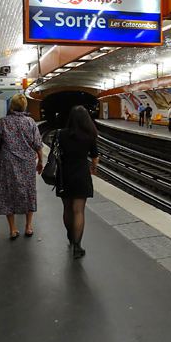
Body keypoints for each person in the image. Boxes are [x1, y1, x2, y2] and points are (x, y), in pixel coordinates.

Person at [0, 94, 43, 240]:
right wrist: (40, 162)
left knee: (8, 192)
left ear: (11, 106)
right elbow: (38, 144)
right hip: (27, 162)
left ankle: (13, 229)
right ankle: (28, 226)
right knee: (29, 191)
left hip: (8, 163)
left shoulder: (3, 122)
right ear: (24, 106)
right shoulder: (30, 122)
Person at [56, 105, 99, 258]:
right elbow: (95, 157)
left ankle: (70, 235)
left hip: (64, 175)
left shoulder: (61, 134)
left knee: (67, 209)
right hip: (81, 174)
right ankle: (77, 246)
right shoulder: (90, 135)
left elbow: (57, 154)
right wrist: (93, 168)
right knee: (78, 210)